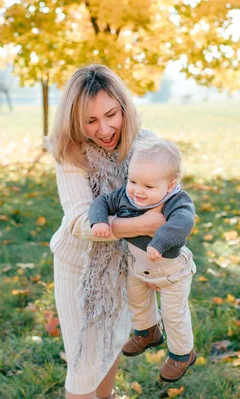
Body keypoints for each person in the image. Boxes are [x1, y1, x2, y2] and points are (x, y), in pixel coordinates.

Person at [48, 64, 166, 399]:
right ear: (76, 121)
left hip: (123, 265)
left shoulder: (146, 146)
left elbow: (168, 200)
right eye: (91, 121)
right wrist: (141, 225)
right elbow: (79, 220)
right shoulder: (69, 150)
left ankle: (108, 396)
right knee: (84, 366)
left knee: (112, 340)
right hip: (80, 269)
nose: (104, 128)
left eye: (111, 114)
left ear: (124, 107)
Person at [89, 137, 197, 382]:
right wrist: (99, 221)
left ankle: (182, 354)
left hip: (171, 272)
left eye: (148, 187)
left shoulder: (175, 201)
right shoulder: (127, 195)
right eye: (133, 181)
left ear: (170, 185)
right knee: (136, 300)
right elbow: (102, 202)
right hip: (140, 267)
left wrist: (159, 242)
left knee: (174, 314)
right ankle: (147, 331)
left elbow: (183, 223)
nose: (137, 190)